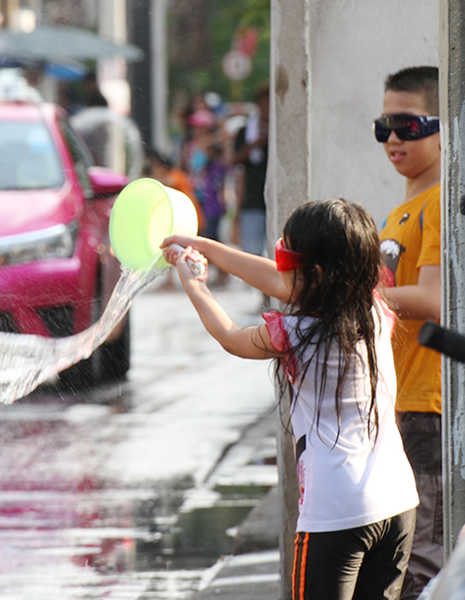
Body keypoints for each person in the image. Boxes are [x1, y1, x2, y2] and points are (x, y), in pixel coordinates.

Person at [162, 198, 419, 599]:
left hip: (336, 510)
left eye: (286, 260)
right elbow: (281, 280)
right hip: (397, 501)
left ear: (313, 275)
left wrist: (195, 284)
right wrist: (207, 246)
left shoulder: (296, 332)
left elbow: (231, 337)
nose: (281, 271)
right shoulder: (373, 309)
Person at [374, 65, 443, 600]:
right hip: (401, 405)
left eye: (409, 125)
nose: (394, 138)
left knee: (422, 564)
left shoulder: (439, 204)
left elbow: (438, 300)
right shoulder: (400, 212)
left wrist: (358, 297)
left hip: (429, 408)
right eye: (384, 127)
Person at [232, 82, 269, 257]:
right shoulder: (246, 132)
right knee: (252, 254)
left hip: (274, 198)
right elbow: (234, 159)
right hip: (252, 200)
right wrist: (256, 143)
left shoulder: (280, 130)